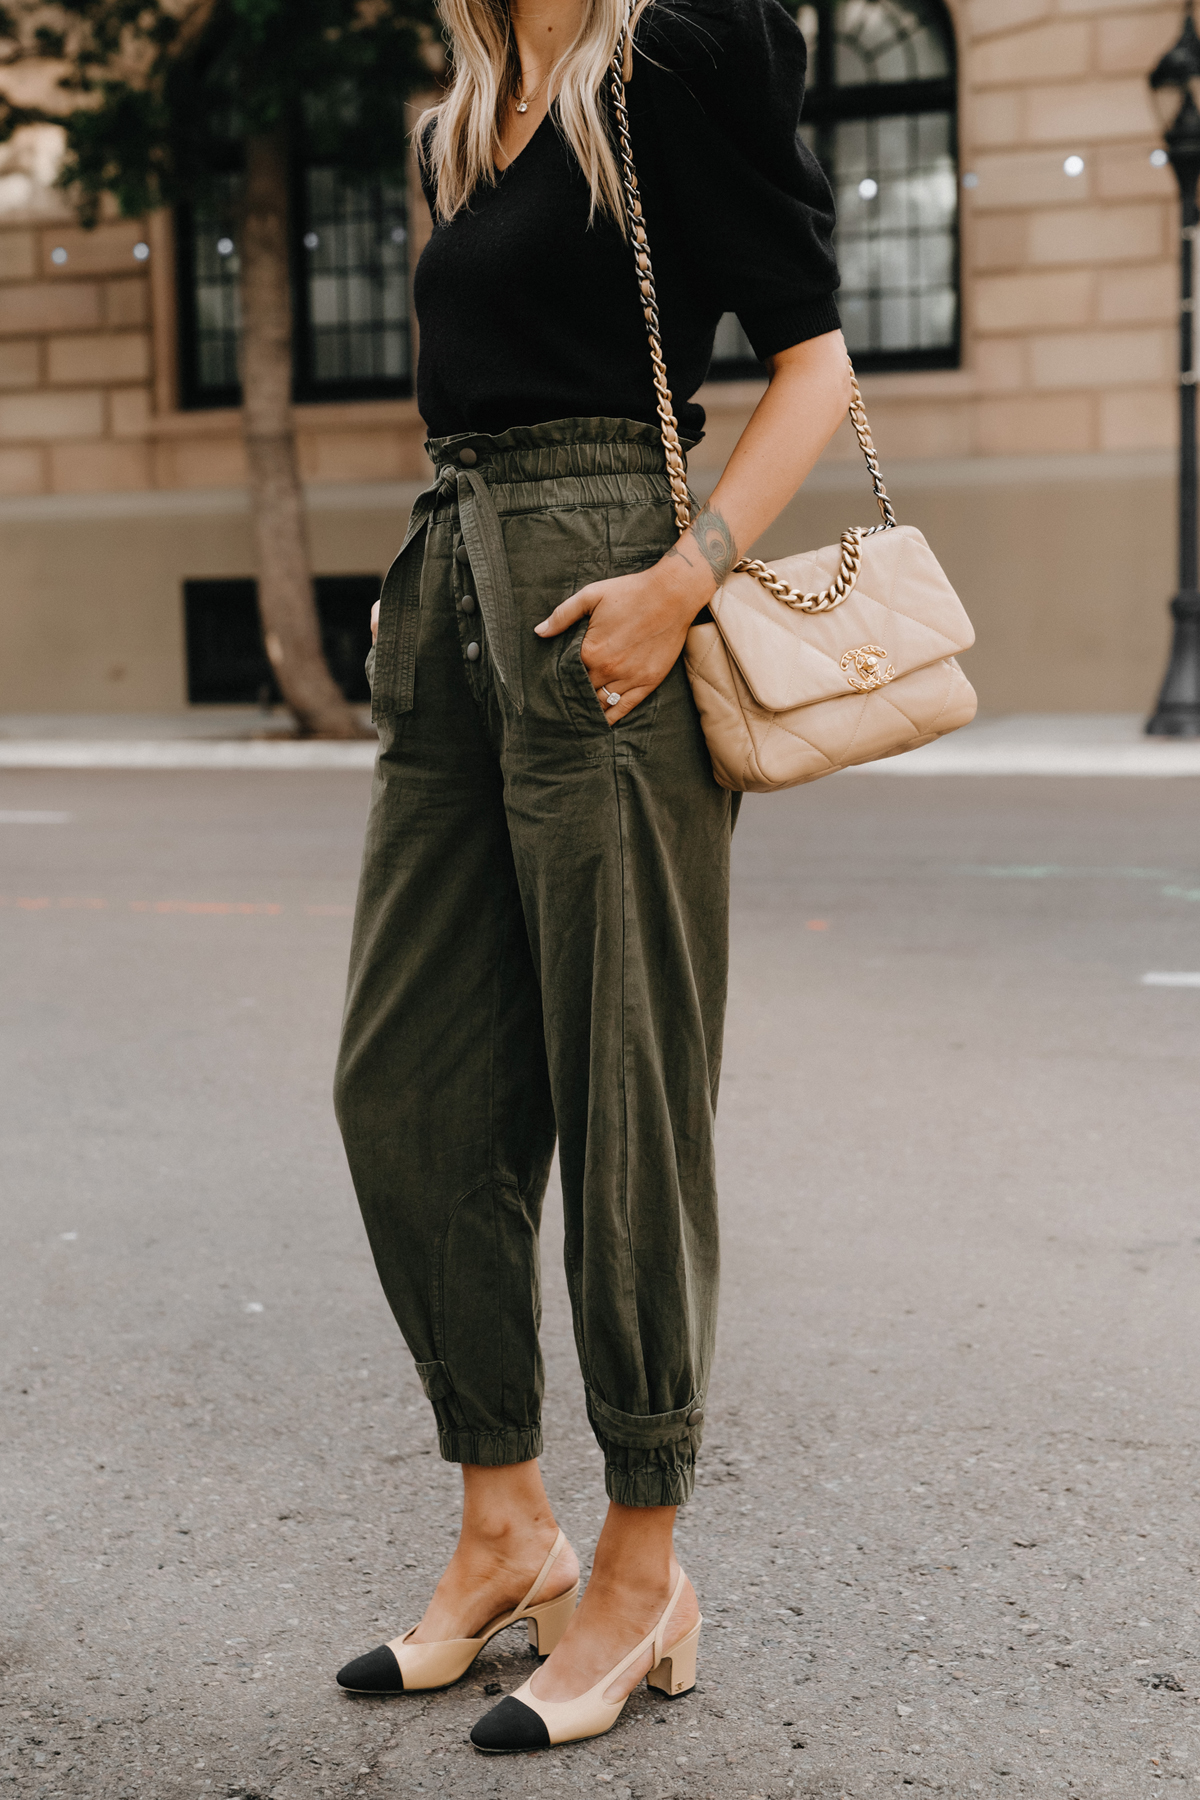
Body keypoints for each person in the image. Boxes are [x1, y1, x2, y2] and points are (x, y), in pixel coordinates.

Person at [331, 0, 849, 1753]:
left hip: (610, 595)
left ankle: (640, 1563)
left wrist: (686, 572)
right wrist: (422, 592)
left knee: (625, 1097)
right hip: (454, 602)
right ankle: (504, 1526)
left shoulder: (681, 59)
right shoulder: (464, 117)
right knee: (403, 1093)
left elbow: (814, 362)